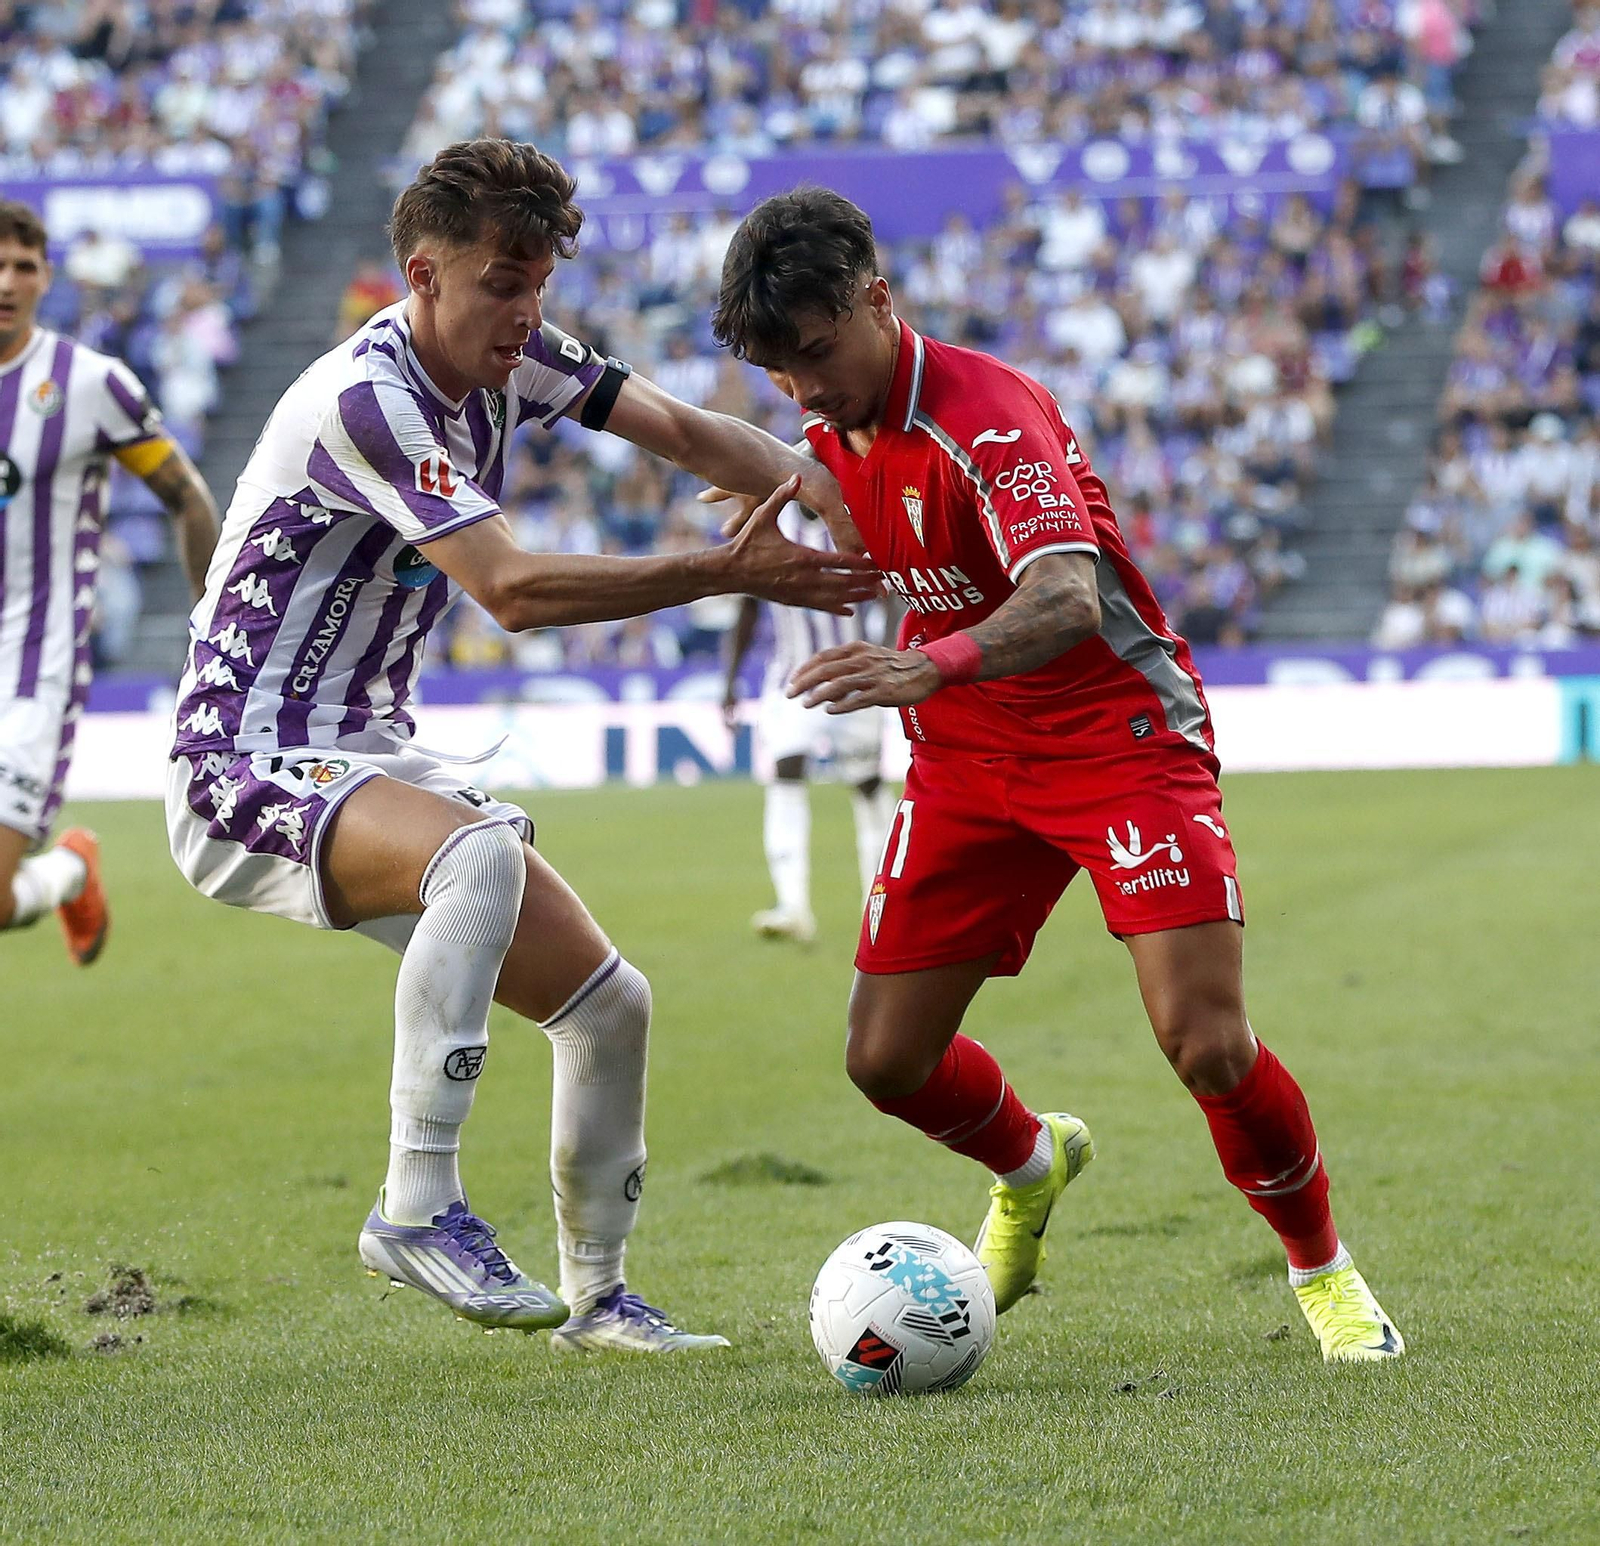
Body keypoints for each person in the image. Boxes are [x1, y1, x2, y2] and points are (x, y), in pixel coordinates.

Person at [163, 140, 874, 1353]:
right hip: (244, 754)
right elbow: (512, 589)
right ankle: (415, 1204)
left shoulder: (517, 356)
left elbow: (693, 435)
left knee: (610, 1005)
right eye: (503, 280)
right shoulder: (368, 398)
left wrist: (836, 493)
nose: (526, 308)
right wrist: (720, 569)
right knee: (479, 856)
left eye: (539, 279)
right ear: (421, 271)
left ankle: (600, 1301)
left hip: (366, 755)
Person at [707, 189, 1403, 1363]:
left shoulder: (989, 414)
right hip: (967, 761)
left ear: (877, 300)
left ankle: (1322, 1271)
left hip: (1116, 739)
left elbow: (1069, 597)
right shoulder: (831, 441)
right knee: (884, 1059)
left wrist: (930, 662)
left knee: (1205, 1040)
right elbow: (771, 467)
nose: (805, 392)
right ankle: (1030, 1164)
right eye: (780, 374)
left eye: (817, 355)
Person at [0, 199, 218, 965]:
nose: (6, 281)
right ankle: (69, 871)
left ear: (46, 278)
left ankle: (70, 866)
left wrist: (212, 624)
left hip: (34, 662)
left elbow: (187, 496)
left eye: (22, 267)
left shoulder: (88, 384)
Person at [720, 500, 896, 943]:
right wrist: (730, 680)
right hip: (792, 676)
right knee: (786, 771)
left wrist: (893, 651)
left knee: (868, 784)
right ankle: (793, 905)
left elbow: (893, 592)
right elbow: (748, 606)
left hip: (854, 672)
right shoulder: (770, 525)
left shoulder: (855, 521)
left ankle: (879, 903)